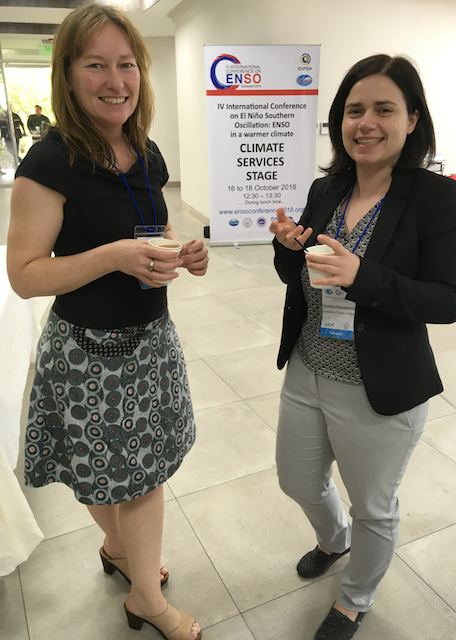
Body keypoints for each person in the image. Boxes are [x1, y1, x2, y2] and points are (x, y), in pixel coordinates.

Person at [7, 5, 207, 640]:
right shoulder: (48, 162)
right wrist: (113, 258)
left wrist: (182, 251)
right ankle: (142, 588)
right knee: (96, 473)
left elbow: (156, 231)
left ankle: (133, 574)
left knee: (142, 477)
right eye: (96, 64)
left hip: (150, 343)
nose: (115, 79)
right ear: (68, 74)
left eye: (127, 64)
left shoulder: (145, 152)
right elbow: (26, 274)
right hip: (86, 353)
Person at [270, 54, 456, 640]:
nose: (366, 122)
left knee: (373, 506)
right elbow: (300, 275)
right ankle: (335, 542)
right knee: (297, 480)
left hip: (379, 384)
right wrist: (288, 246)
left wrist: (363, 276)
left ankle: (356, 598)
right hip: (308, 368)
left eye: (385, 109)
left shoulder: (438, 199)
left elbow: (447, 300)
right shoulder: (326, 187)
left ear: (412, 120)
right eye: (354, 110)